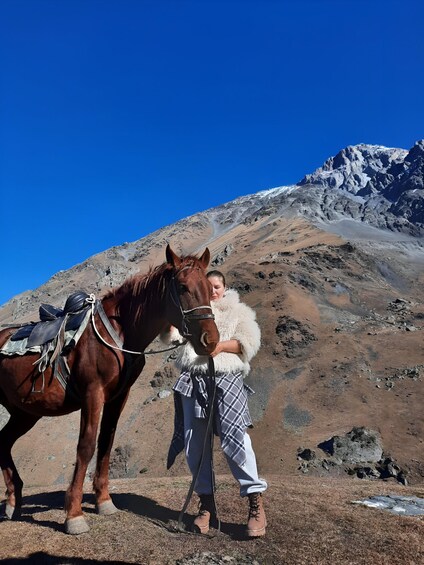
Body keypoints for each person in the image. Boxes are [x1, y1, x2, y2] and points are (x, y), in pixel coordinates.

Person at [164, 269, 267, 537]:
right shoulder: (194, 311)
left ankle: (255, 501)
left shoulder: (239, 312)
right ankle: (206, 505)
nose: (213, 291)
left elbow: (249, 342)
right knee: (194, 444)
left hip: (227, 378)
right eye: (208, 287)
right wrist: (168, 322)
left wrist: (220, 347)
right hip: (194, 380)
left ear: (225, 287)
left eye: (217, 286)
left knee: (235, 438)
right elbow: (172, 337)